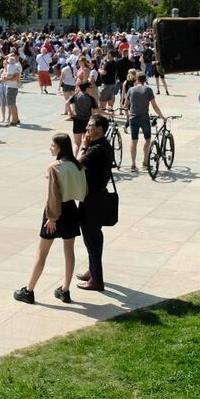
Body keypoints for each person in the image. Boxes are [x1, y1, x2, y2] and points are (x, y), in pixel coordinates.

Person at [14, 133, 87, 305]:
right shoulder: (78, 166)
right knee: (69, 251)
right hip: (71, 209)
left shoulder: (55, 167)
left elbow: (53, 195)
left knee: (42, 253)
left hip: (55, 212)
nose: (50, 148)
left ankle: (29, 290)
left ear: (60, 147)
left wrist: (52, 217)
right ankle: (65, 290)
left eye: (52, 145)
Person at [76, 114, 115, 292]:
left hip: (92, 200)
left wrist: (83, 146)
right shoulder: (103, 145)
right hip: (96, 197)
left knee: (92, 238)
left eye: (90, 126)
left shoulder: (95, 149)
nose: (87, 129)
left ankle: (96, 280)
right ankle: (93, 271)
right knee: (92, 238)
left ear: (99, 129)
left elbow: (76, 165)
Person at [125, 73, 165, 172]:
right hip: (144, 118)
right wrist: (162, 116)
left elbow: (126, 106)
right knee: (147, 140)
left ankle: (133, 165)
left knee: (134, 141)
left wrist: (128, 117)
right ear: (144, 80)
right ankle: (145, 162)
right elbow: (154, 106)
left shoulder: (131, 90)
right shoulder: (148, 90)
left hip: (133, 118)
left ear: (137, 80)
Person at [67, 81, 97, 155]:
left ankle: (74, 157)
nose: (91, 88)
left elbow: (67, 103)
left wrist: (71, 113)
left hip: (77, 120)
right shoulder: (91, 98)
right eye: (90, 87)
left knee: (76, 143)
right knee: (85, 142)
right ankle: (81, 158)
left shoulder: (76, 95)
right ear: (87, 88)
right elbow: (95, 111)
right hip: (87, 121)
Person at [1, 53, 22, 126]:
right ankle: (16, 119)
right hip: (12, 87)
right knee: (13, 104)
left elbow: (16, 78)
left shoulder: (15, 66)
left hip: (11, 87)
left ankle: (14, 120)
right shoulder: (14, 66)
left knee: (11, 104)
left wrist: (6, 78)